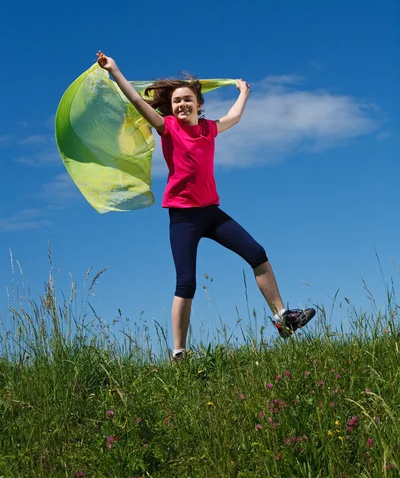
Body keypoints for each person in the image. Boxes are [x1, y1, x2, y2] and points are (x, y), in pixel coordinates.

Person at [96, 52, 315, 358]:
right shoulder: (167, 128)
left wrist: (244, 92)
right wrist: (115, 70)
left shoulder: (208, 129)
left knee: (257, 254)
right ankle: (179, 352)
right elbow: (136, 101)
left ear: (199, 104)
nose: (182, 105)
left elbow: (234, 117)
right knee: (186, 283)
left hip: (211, 213)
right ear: (170, 109)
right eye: (176, 102)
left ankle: (283, 319)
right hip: (183, 218)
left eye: (187, 100)